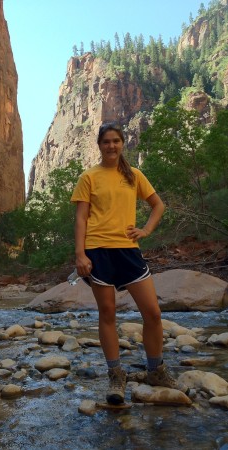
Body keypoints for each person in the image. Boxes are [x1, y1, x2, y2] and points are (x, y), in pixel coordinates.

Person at [70, 122, 187, 405]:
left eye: (116, 141)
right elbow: (81, 218)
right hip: (97, 252)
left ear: (123, 144)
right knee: (107, 313)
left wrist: (145, 230)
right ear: (99, 145)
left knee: (153, 313)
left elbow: (158, 205)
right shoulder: (89, 177)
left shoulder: (134, 175)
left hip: (128, 251)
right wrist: (80, 254)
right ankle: (115, 374)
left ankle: (155, 370)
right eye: (106, 141)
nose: (111, 146)